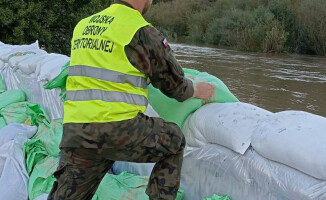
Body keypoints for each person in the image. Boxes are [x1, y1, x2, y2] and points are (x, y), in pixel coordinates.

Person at [48, 0, 215, 199]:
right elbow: (174, 86)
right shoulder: (141, 31)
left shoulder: (84, 26)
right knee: (174, 141)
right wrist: (197, 89)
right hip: (119, 130)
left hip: (77, 132)